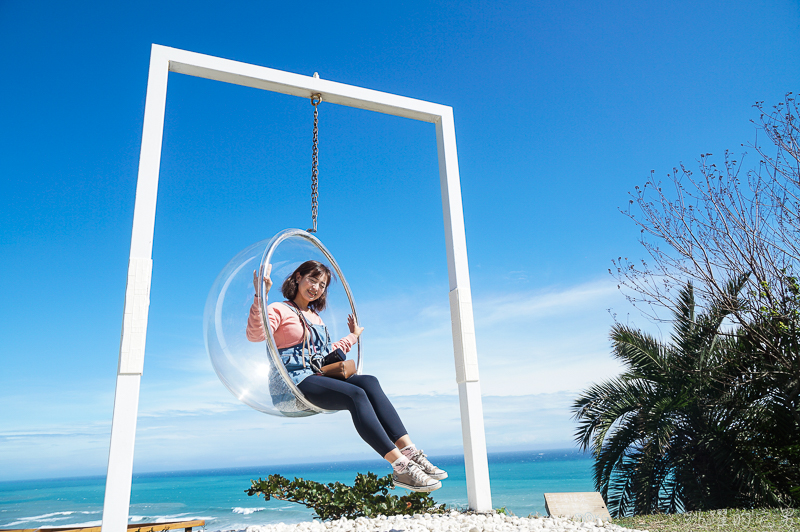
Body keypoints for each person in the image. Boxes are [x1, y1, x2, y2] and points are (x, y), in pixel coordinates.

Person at [247, 260, 447, 492]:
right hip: (292, 386)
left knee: (369, 382)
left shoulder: (315, 318)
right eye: (312, 279)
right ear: (299, 277)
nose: (316, 288)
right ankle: (401, 468)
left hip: (316, 376)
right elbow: (256, 335)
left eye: (322, 285)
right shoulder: (278, 309)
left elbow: (325, 355)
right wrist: (260, 295)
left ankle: (410, 452)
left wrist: (353, 336)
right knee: (355, 394)